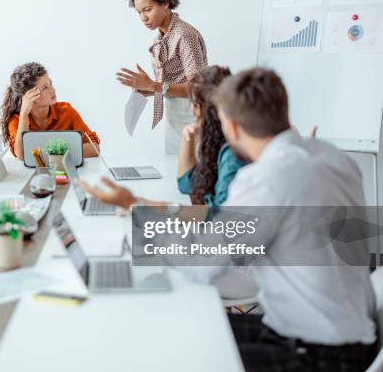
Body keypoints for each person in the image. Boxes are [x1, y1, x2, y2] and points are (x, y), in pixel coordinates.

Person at [79, 68, 377, 371]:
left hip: (319, 352)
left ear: (232, 128)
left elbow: (203, 263)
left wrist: (136, 209)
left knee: (174, 350)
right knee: (191, 327)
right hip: (344, 333)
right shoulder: (332, 156)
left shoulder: (265, 179)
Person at [117, 0, 208, 154]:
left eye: (147, 10)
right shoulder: (159, 39)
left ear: (165, 3)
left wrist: (153, 86)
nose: (143, 17)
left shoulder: (185, 35)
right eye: (139, 12)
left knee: (193, 175)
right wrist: (145, 88)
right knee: (175, 171)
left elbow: (196, 88)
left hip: (194, 116)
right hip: (174, 115)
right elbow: (170, 84)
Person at [177, 65, 245, 220]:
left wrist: (153, 208)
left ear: (199, 108)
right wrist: (187, 139)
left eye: (193, 103)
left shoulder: (232, 154)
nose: (193, 109)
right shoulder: (216, 142)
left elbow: (217, 218)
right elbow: (187, 185)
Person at [0, 62, 100, 160]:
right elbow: (21, 155)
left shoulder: (66, 111)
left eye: (50, 83)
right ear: (30, 96)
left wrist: (49, 155)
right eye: (45, 88)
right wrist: (24, 114)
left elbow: (94, 148)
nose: (53, 90)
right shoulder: (17, 120)